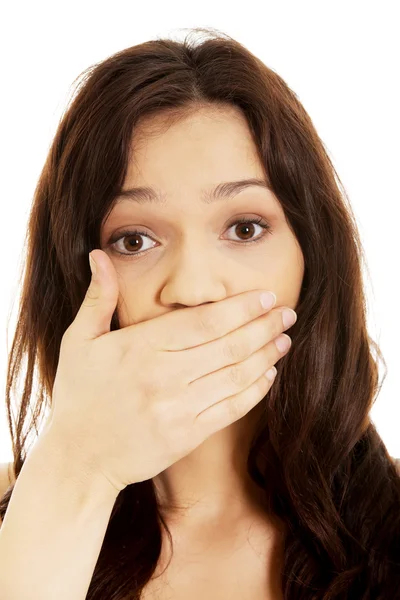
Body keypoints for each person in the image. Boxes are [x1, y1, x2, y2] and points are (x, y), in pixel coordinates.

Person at [0, 27, 399, 600]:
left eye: (244, 228)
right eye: (134, 240)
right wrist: (78, 471)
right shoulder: (22, 525)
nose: (193, 289)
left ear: (314, 258)